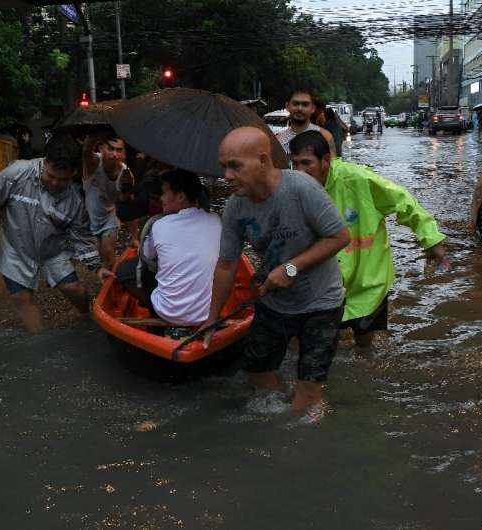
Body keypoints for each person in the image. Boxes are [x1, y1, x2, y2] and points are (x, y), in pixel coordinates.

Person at [201, 126, 350, 411]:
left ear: (263, 160)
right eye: (224, 167)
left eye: (235, 166)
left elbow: (340, 237)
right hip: (274, 302)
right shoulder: (235, 207)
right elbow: (226, 265)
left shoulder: (302, 188)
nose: (227, 176)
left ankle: (301, 431)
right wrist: (212, 318)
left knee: (307, 395)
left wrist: (291, 268)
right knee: (256, 371)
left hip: (321, 303)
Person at [289, 130, 449, 350]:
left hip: (367, 279)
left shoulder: (357, 179)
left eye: (306, 163)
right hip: (324, 282)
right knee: (315, 344)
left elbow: (404, 201)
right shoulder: (293, 189)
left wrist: (431, 241)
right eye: (294, 164)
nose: (299, 171)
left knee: (364, 346)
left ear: (326, 160)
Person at [0, 134, 102, 334]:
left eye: (62, 180)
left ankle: (87, 317)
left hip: (53, 250)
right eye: (51, 176)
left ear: (72, 173)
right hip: (16, 248)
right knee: (21, 298)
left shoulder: (74, 199)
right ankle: (39, 339)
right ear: (45, 162)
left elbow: (81, 236)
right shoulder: (16, 173)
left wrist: (96, 267)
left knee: (74, 290)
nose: (54, 183)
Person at [112, 170, 221, 331]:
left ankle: (150, 308)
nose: (160, 198)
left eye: (163, 193)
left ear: (181, 197)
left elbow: (147, 257)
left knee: (124, 270)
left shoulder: (159, 225)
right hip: (205, 314)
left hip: (166, 312)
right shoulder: (216, 221)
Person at [81, 133, 129, 268]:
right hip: (89, 218)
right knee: (97, 255)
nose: (115, 154)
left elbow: (127, 203)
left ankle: (110, 284)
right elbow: (86, 150)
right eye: (111, 149)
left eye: (119, 150)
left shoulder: (125, 173)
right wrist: (97, 129)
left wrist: (135, 236)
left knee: (108, 252)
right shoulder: (93, 162)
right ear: (101, 148)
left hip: (109, 217)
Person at [274, 88, 323, 155]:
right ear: (287, 106)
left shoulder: (325, 137)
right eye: (295, 104)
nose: (300, 108)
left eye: (305, 104)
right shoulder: (278, 140)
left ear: (313, 108)